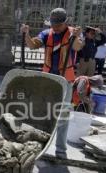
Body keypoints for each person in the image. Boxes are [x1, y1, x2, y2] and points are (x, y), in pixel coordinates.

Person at [21, 8, 83, 158]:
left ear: (64, 23)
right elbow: (32, 45)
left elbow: (78, 47)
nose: (55, 27)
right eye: (53, 24)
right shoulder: (47, 34)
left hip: (66, 81)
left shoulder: (73, 32)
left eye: (58, 25)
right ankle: (39, 145)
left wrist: (75, 37)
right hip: (49, 79)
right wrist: (26, 34)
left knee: (63, 115)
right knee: (44, 112)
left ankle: (60, 151)